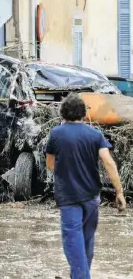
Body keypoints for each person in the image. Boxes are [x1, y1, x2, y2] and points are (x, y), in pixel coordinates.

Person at [45, 93, 126, 279]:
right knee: (87, 241)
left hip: (69, 198)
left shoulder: (56, 134)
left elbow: (50, 165)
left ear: (63, 114)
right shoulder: (95, 135)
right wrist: (119, 192)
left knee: (73, 242)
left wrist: (66, 169)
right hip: (91, 198)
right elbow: (108, 162)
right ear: (83, 114)